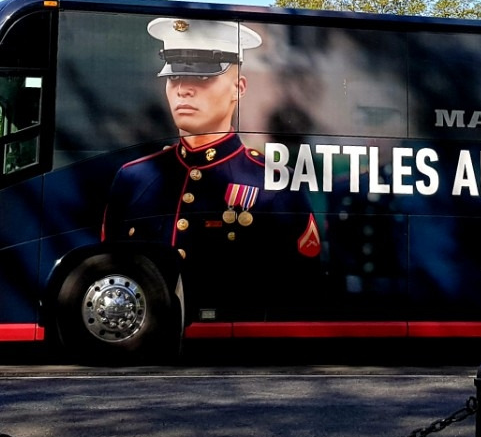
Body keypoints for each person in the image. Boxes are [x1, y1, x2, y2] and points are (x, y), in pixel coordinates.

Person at [102, 18, 322, 320]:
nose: (183, 90)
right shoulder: (134, 178)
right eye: (174, 76)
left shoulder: (272, 180)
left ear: (238, 88)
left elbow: (302, 286)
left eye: (203, 77)